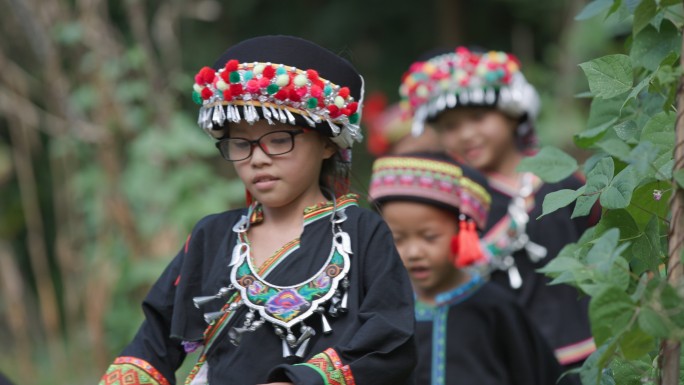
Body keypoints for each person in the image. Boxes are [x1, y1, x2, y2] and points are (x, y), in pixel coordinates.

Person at [99, 35, 416, 385]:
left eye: (279, 139)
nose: (258, 158)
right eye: (241, 143)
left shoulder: (363, 232)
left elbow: (389, 340)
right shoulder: (212, 235)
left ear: (327, 142)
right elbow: (153, 341)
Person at [399, 47, 597, 373]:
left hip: (594, 351)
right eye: (450, 126)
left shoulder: (563, 179)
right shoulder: (457, 207)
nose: (466, 134)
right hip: (512, 365)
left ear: (513, 112)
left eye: (479, 117)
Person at [368, 153, 568, 385]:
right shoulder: (382, 311)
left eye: (429, 237)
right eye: (398, 238)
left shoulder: (496, 309)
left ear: (464, 232)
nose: (413, 253)